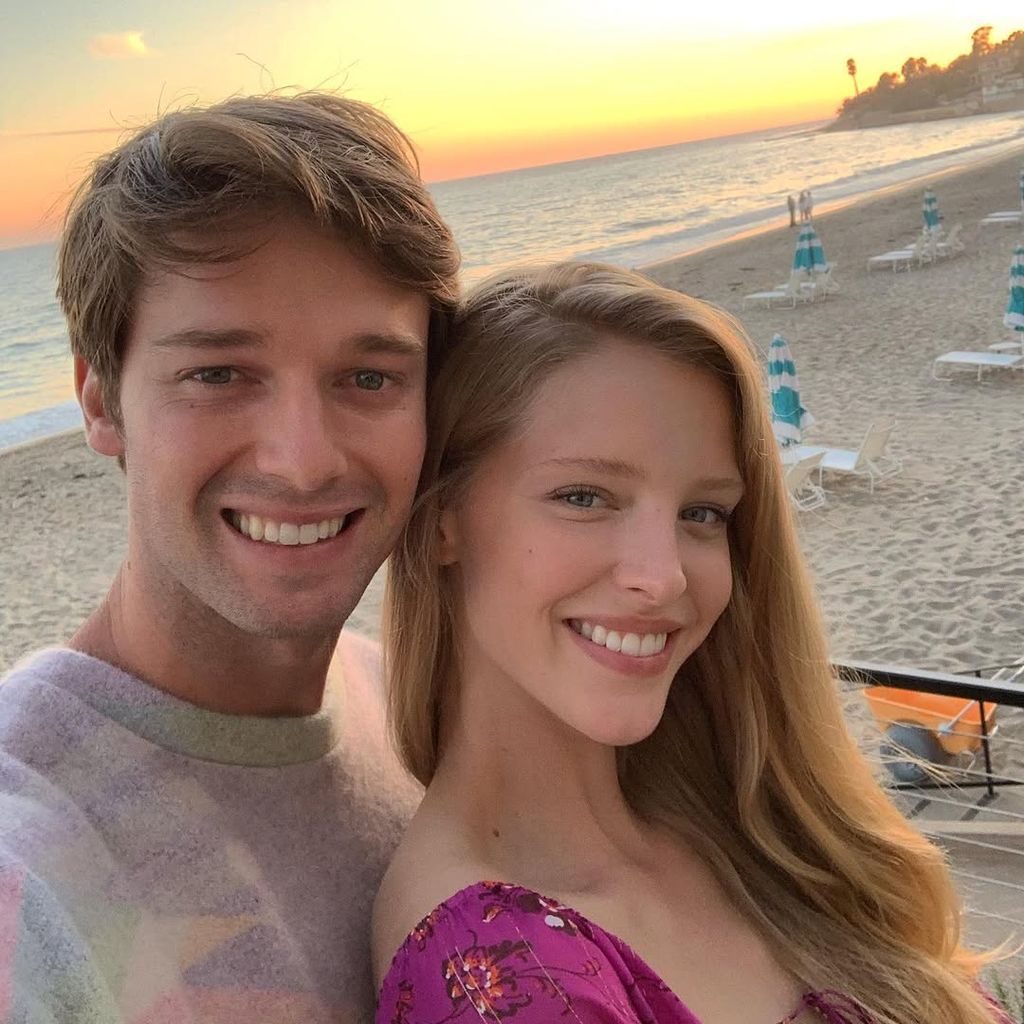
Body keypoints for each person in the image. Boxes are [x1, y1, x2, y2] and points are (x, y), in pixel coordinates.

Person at [371, 262, 1007, 1024]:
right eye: (584, 497)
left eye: (702, 513)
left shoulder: (750, 830)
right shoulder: (502, 969)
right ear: (443, 519)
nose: (664, 576)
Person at [0, 92, 459, 1020]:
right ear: (100, 400)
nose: (304, 460)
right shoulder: (29, 872)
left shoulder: (407, 707)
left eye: (368, 377)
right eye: (217, 374)